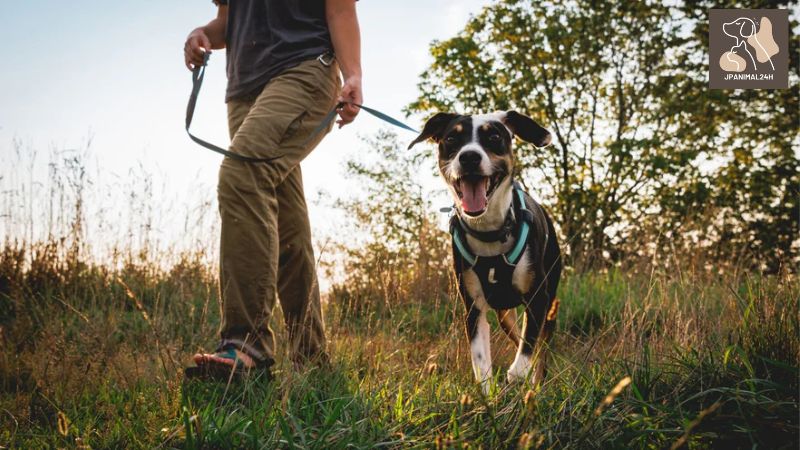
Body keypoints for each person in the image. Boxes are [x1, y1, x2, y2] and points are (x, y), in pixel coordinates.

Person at [183, 0, 362, 379]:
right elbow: (229, 21)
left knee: (241, 175)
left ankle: (246, 344)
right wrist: (203, 35)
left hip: (304, 69)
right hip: (244, 92)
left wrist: (353, 74)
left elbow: (339, 9)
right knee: (288, 226)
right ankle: (312, 363)